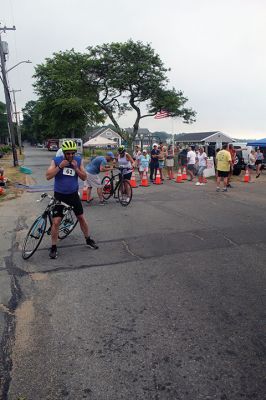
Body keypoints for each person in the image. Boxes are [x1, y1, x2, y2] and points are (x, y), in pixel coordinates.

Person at [46, 140, 98, 259]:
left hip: (73, 195)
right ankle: (54, 247)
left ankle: (88, 239)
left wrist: (76, 168)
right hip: (60, 196)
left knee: (81, 218)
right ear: (63, 153)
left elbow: (84, 177)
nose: (70, 156)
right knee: (56, 222)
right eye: (67, 153)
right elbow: (48, 176)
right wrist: (60, 166)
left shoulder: (78, 161)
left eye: (72, 153)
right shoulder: (56, 161)